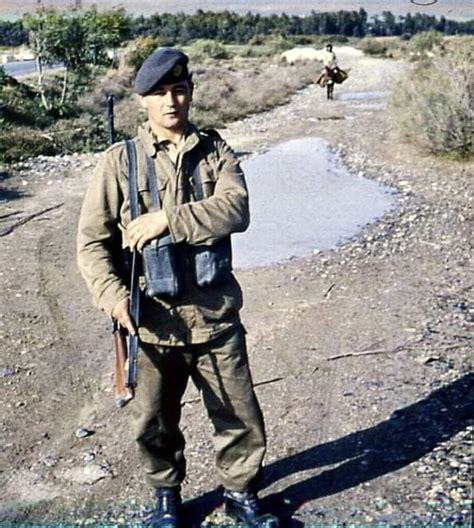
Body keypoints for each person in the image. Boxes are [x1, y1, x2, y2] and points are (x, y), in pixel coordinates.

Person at [77, 48, 267, 527]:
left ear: (191, 93)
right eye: (160, 94)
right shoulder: (119, 163)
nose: (171, 102)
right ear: (143, 101)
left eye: (179, 90)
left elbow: (236, 210)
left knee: (239, 416)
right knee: (153, 424)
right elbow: (91, 245)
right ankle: (166, 496)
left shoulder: (215, 151)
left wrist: (168, 219)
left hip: (215, 317)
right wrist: (113, 298)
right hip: (152, 322)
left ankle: (241, 493)